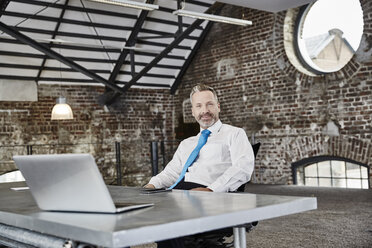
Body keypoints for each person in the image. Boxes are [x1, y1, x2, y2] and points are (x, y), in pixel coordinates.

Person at [145, 84, 255, 248]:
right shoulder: (186, 143)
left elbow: (243, 168)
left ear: (218, 107)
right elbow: (171, 173)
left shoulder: (234, 134)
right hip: (178, 196)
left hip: (211, 196)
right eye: (199, 106)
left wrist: (211, 190)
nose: (205, 110)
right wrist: (151, 185)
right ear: (192, 111)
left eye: (209, 104)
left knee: (171, 227)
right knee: (125, 221)